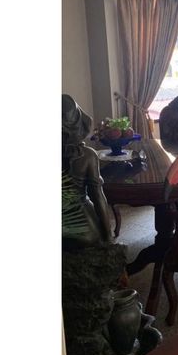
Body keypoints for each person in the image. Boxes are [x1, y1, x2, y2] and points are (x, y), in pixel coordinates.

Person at [62, 94, 113, 248]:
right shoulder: (88, 156)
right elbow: (97, 197)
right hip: (83, 231)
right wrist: (108, 237)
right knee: (94, 234)